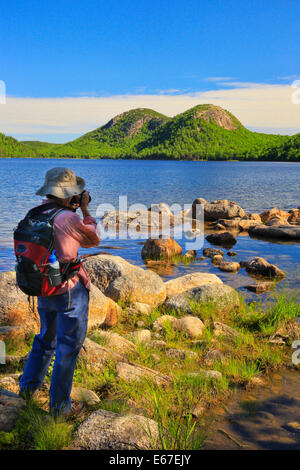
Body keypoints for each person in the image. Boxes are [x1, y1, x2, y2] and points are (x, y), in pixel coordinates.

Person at [19, 167, 100, 416]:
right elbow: (93, 239)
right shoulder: (69, 218)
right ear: (68, 194)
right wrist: (84, 210)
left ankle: (27, 389)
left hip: (43, 286)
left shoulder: (35, 213)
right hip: (68, 290)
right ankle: (60, 408)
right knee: (68, 348)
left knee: (45, 340)